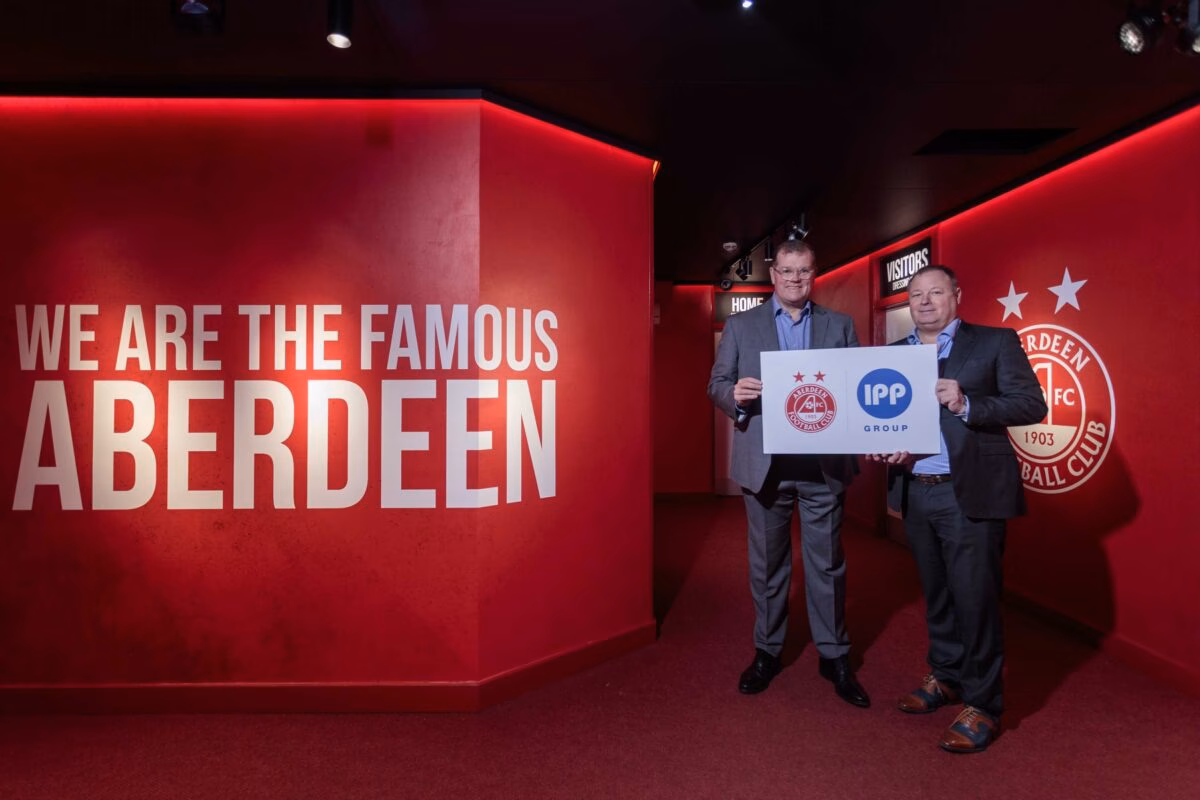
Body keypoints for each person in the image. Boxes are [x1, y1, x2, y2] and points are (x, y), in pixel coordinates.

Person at [867, 265, 1046, 753]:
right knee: (938, 593)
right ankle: (945, 676)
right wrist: (887, 448)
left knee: (976, 598)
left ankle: (984, 704)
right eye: (916, 294)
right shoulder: (893, 356)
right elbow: (884, 422)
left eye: (935, 292)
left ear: (956, 296)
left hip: (970, 492)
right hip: (917, 490)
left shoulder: (994, 342)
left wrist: (968, 403)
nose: (925, 302)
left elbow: (1032, 405)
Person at [707, 239, 869, 708]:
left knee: (827, 565)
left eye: (804, 272)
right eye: (787, 271)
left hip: (823, 465)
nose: (795, 279)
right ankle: (768, 651)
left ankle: (834, 654)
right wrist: (734, 394)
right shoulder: (741, 325)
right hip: (765, 465)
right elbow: (715, 384)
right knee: (767, 565)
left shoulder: (840, 326)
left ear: (814, 274)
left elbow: (856, 389)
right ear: (772, 275)